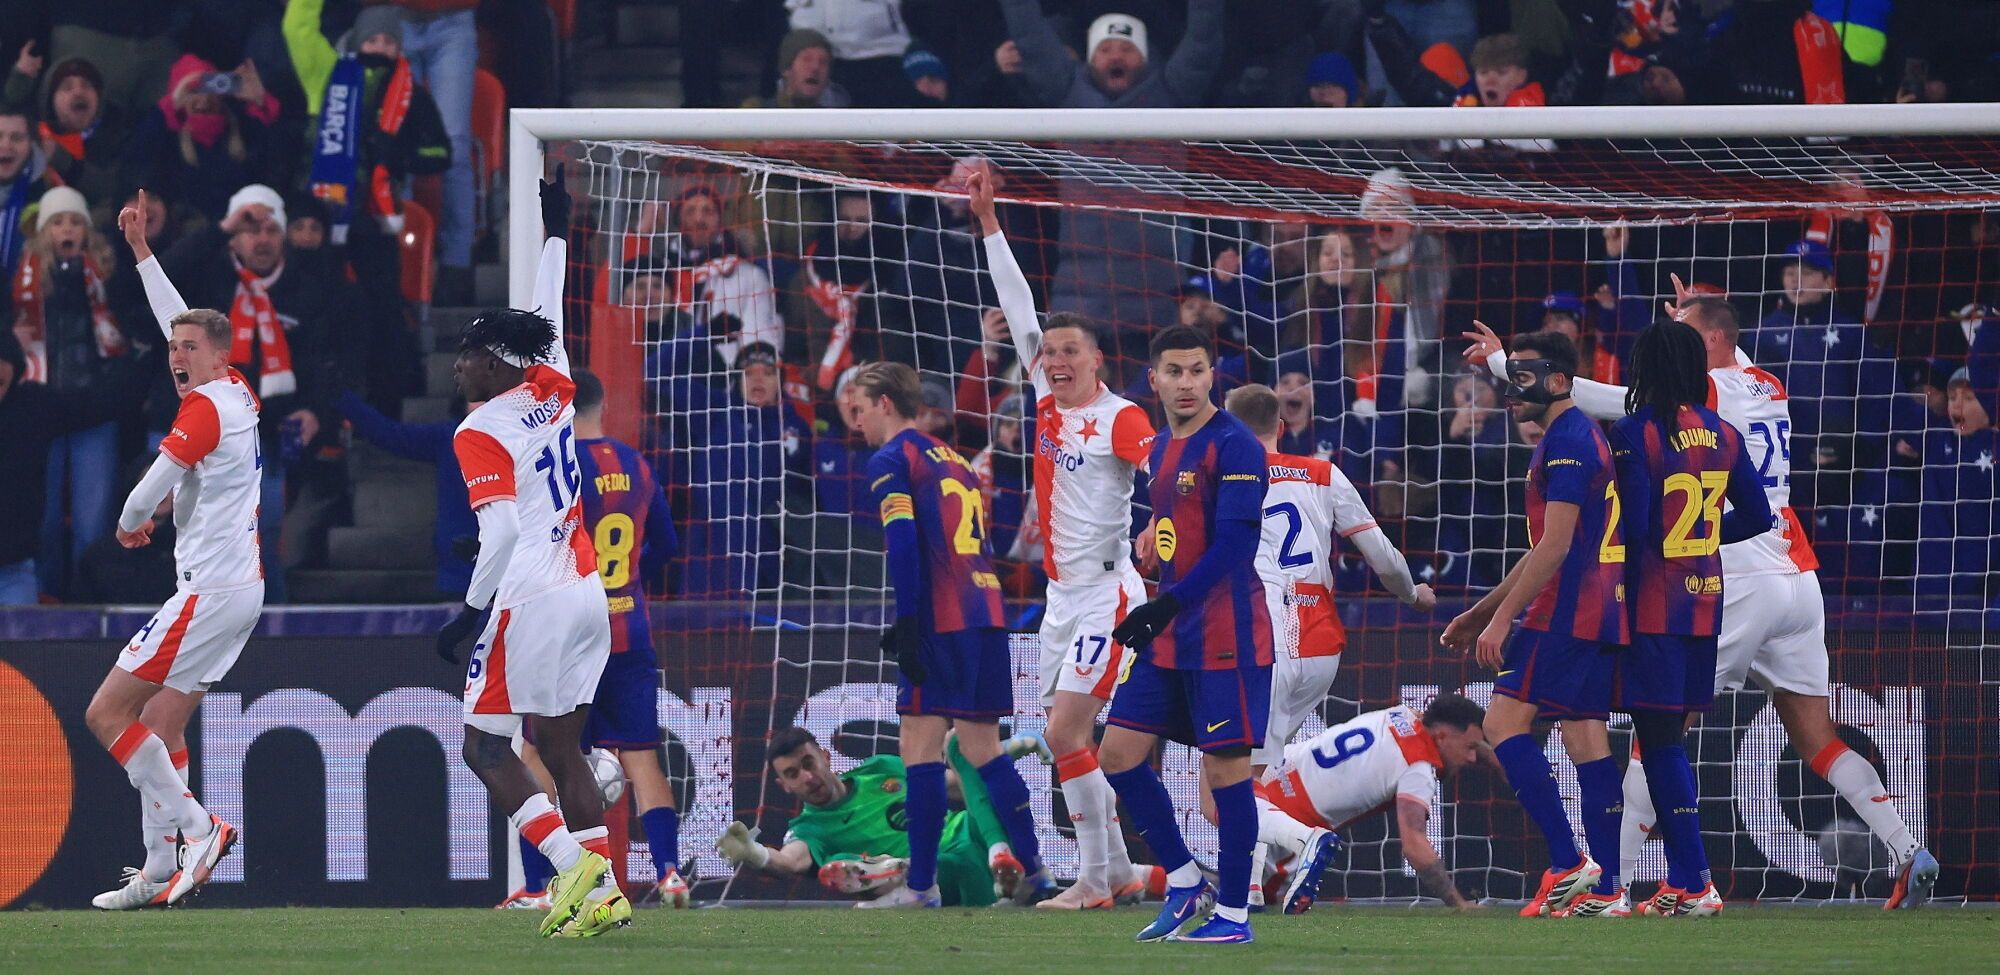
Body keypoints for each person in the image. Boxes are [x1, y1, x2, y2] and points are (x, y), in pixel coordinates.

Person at [1461, 280, 1938, 911]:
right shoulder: (1763, 386)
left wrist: (1505, 366)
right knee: (1815, 735)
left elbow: (1605, 402)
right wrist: (1693, 315)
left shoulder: (1651, 424)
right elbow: (1754, 503)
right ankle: (1908, 848)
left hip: (1712, 586)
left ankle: (1612, 883)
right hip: (1793, 573)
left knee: (1654, 735)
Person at [431, 168, 623, 939]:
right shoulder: (556, 381)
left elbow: (504, 532)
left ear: (497, 364)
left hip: (530, 598)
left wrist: (468, 612)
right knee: (564, 747)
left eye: (470, 354)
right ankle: (607, 892)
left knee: (483, 744)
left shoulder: (478, 429)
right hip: (585, 587)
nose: (458, 364)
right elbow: (546, 313)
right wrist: (554, 233)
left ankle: (576, 872)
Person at [972, 167, 1150, 909]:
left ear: (1097, 357)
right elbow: (1017, 306)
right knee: (1068, 740)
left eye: (1072, 350)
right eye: (1051, 351)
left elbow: (1168, 471)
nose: (1058, 359)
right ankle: (1118, 873)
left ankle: (1093, 880)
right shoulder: (1044, 402)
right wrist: (989, 224)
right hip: (1061, 594)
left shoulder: (1121, 415)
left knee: (1066, 728)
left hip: (1110, 590)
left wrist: (1161, 535)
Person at [85, 198, 267, 910]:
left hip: (210, 590)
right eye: (172, 347)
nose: (176, 356)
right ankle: (160, 867)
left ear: (217, 355)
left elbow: (141, 496)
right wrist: (139, 250)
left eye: (188, 349)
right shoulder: (234, 389)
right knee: (160, 720)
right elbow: (179, 319)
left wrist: (133, 524)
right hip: (237, 585)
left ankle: (199, 826)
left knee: (106, 713)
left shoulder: (203, 407)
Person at [1222, 381, 1435, 910]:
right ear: (1283, 427)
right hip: (1321, 640)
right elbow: (1380, 554)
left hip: (1262, 631)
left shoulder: (1222, 476)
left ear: (1227, 430)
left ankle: (1297, 845)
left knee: (1223, 780)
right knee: (1259, 769)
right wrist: (1412, 593)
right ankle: (1251, 885)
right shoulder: (1322, 473)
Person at [855, 360, 1055, 909]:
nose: (857, 423)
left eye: (860, 409)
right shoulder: (957, 460)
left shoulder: (892, 458)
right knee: (982, 749)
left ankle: (920, 887)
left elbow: (903, 543)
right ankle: (1036, 873)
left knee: (918, 747)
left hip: (942, 616)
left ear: (885, 405)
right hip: (986, 610)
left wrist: (910, 620)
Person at [1438, 329, 1620, 920]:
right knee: (1586, 737)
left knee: (1503, 724)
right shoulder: (1575, 434)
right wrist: (1483, 611)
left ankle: (1568, 862)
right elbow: (1544, 544)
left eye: (1521, 377)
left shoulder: (1568, 441)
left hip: (1564, 606)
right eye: (1506, 377)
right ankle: (1608, 888)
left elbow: (1556, 547)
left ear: (1559, 380)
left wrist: (1505, 619)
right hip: (1598, 607)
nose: (1509, 391)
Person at [1101, 325, 1271, 945]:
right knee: (1116, 754)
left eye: (1197, 369)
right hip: (1173, 632)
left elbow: (1235, 545)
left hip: (1226, 632)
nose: (1186, 382)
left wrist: (1164, 602)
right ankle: (1181, 878)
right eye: (1173, 371)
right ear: (1154, 380)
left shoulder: (1236, 445)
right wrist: (1152, 539)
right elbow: (1179, 524)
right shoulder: (1165, 447)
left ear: (1212, 374)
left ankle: (1233, 916)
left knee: (1227, 775)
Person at [1600, 320, 1774, 917]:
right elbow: (1757, 515)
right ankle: (1687, 879)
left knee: (1657, 743)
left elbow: (1640, 526)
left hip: (1651, 606)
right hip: (1705, 600)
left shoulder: (1634, 432)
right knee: (1667, 741)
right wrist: (1703, 537)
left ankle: (1693, 881)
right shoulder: (1723, 432)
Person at [713, 729, 1114, 906]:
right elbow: (791, 861)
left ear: (825, 756)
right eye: (792, 774)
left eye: (808, 763)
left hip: (972, 835)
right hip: (944, 872)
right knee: (942, 866)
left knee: (956, 743)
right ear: (784, 786)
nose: (807, 776)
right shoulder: (808, 829)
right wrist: (751, 851)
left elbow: (958, 786)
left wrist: (1006, 750)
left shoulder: (880, 767)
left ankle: (1002, 859)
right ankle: (1016, 882)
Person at [570, 369, 689, 909]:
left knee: (543, 754)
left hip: (572, 630)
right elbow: (666, 543)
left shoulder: (559, 465)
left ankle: (537, 884)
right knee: (642, 757)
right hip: (631, 627)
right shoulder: (637, 464)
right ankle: (669, 874)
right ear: (603, 404)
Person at [1254, 696, 1488, 914]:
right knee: (1251, 901)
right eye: (1470, 747)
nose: (1472, 758)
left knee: (1235, 872)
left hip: (1269, 773)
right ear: (1442, 736)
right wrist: (1458, 903)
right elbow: (1415, 846)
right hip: (1289, 822)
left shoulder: (1401, 714)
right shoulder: (1417, 769)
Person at [16, 186, 128, 598]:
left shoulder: (108, 273)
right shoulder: (21, 277)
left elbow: (126, 336)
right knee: (39, 518)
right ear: (43, 231)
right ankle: (42, 601)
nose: (67, 229)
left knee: (92, 521)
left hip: (93, 410)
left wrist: (115, 391)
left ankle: (87, 601)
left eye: (75, 221)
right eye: (58, 222)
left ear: (86, 230)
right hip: (41, 409)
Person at [0, 329, 143, 605]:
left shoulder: (32, 407)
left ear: (14, 374)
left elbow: (99, 403)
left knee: (23, 646)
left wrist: (142, 358)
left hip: (14, 572)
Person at [122, 55, 284, 223]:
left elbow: (277, 163)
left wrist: (261, 104)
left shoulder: (245, 129)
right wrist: (168, 109)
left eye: (210, 89)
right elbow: (135, 159)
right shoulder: (166, 139)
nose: (203, 100)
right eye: (193, 91)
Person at [2, 55, 126, 217]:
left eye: (87, 86)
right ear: (50, 101)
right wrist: (18, 84)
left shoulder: (112, 136)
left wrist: (60, 157)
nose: (78, 92)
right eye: (67, 87)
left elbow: (109, 187)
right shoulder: (32, 131)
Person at [741, 29, 851, 109]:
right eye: (806, 59)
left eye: (823, 62)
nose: (815, 67)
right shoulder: (756, 112)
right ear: (786, 69)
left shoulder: (835, 123)